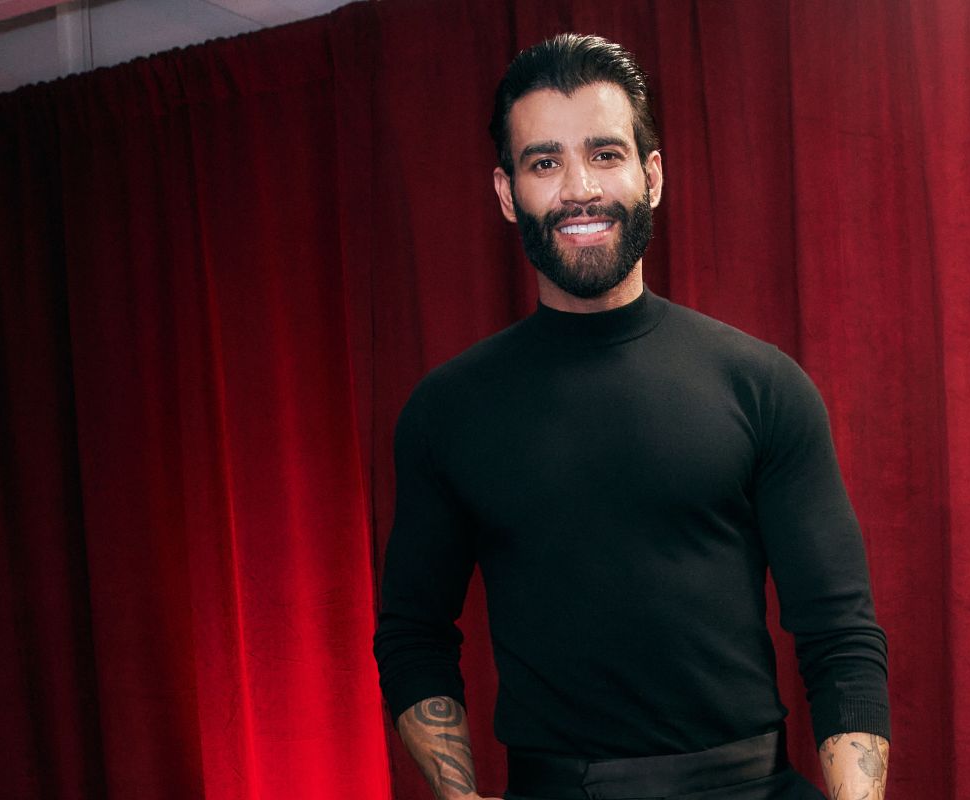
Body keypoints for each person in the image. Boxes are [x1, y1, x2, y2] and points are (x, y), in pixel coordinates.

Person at [373, 33, 891, 800]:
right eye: (544, 163)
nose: (579, 188)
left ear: (651, 176)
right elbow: (414, 633)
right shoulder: (446, 411)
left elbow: (840, 634)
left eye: (605, 154)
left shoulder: (763, 386)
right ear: (507, 193)